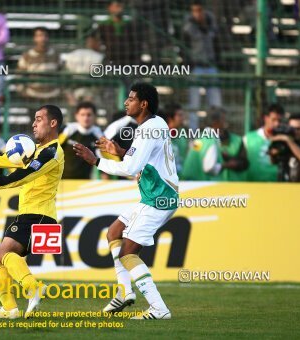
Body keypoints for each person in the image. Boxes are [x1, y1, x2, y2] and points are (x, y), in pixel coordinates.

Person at [74, 83, 177, 320]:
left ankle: (159, 309)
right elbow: (144, 158)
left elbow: (131, 167)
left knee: (128, 253)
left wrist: (95, 161)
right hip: (155, 195)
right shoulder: (154, 125)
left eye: (131, 99)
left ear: (144, 104)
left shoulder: (148, 128)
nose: (125, 102)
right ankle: (124, 292)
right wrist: (119, 150)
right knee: (114, 233)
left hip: (158, 198)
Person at [0, 105, 64, 319]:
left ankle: (33, 287)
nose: (33, 124)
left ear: (53, 123)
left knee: (2, 254)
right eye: (33, 119)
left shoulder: (52, 152)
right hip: (30, 215)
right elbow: (3, 159)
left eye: (39, 119)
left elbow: (24, 176)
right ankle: (9, 309)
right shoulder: (36, 151)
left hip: (39, 216)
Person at [182, 0, 222, 130]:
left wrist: (219, 62)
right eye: (194, 11)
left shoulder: (213, 24)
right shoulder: (188, 27)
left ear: (204, 10)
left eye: (199, 11)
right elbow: (183, 48)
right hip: (196, 67)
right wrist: (189, 65)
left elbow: (218, 45)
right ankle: (193, 134)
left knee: (215, 103)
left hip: (211, 66)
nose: (197, 14)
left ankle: (216, 131)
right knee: (194, 104)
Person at [59, 102, 105, 179]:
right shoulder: (67, 130)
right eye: (82, 115)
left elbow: (104, 159)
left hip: (84, 183)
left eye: (89, 115)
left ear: (94, 116)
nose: (86, 118)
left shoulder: (99, 135)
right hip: (62, 181)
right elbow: (53, 149)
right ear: (76, 116)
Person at [17, 27, 62, 100]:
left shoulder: (56, 55)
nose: (43, 38)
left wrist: (60, 91)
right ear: (34, 38)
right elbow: (19, 76)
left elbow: (63, 74)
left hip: (52, 95)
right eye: (40, 36)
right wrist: (23, 92)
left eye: (45, 36)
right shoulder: (27, 56)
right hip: (33, 96)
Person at [243, 104, 283, 181]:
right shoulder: (248, 138)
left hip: (278, 188)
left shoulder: (285, 140)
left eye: (279, 120)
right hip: (253, 187)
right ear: (266, 118)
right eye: (273, 120)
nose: (277, 124)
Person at [64, 33, 104, 106]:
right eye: (98, 41)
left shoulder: (72, 54)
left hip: (78, 91)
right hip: (84, 91)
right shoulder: (99, 57)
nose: (100, 44)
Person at [97, 0, 140, 66]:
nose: (120, 9)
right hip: (110, 59)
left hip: (128, 60)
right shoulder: (103, 24)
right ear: (110, 8)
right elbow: (96, 41)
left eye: (121, 6)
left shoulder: (129, 24)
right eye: (117, 6)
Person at [268, 113, 300, 182]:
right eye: (292, 128)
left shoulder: (288, 141)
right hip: (287, 186)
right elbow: (272, 162)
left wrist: (287, 140)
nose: (295, 131)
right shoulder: (286, 143)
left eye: (298, 129)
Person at [158, 103, 188, 177]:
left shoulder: (182, 136)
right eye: (180, 115)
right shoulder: (159, 136)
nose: (183, 118)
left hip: (181, 180)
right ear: (170, 118)